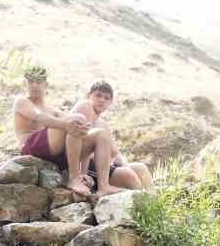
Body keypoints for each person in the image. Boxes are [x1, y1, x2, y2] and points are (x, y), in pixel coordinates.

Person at [11, 69, 150, 197]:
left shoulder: (52, 110)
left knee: (100, 134)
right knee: (76, 119)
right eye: (30, 81)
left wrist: (72, 124)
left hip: (56, 151)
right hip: (32, 147)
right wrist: (66, 124)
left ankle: (104, 187)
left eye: (38, 81)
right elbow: (38, 116)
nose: (34, 85)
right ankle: (73, 178)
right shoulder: (22, 101)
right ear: (25, 84)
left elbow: (80, 133)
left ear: (46, 85)